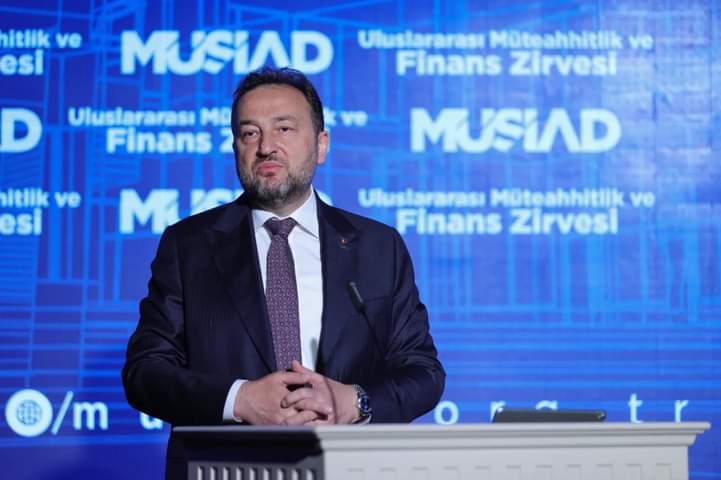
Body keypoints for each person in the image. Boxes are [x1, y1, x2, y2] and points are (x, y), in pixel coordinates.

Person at [122, 67, 444, 437]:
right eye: (249, 133)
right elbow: (145, 372)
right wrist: (239, 399)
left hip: (347, 460)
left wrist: (355, 401)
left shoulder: (378, 247)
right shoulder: (188, 246)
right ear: (235, 148)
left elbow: (423, 372)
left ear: (321, 145)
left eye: (284, 129)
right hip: (227, 462)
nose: (266, 147)